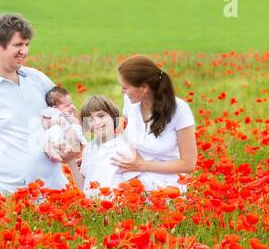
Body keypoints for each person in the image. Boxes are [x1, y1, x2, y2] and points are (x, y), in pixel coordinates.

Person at [0, 13, 78, 198]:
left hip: (56, 192)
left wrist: (72, 144)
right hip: (12, 199)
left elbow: (69, 112)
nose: (24, 51)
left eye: (27, 44)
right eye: (18, 45)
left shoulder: (37, 78)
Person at [111, 54, 197, 193]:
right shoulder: (130, 102)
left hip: (166, 185)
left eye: (125, 87)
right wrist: (119, 128)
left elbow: (189, 164)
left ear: (144, 88)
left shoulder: (179, 109)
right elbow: (126, 120)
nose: (122, 92)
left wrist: (142, 165)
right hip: (132, 175)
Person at [69, 95, 140, 196]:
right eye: (91, 119)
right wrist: (71, 163)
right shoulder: (89, 149)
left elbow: (134, 187)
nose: (97, 122)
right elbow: (83, 186)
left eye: (101, 116)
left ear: (112, 116)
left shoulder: (124, 147)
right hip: (92, 207)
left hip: (115, 207)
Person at [41, 86, 87, 163]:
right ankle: (54, 155)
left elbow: (76, 123)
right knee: (45, 145)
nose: (71, 107)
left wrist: (68, 117)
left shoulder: (68, 114)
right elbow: (44, 123)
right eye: (67, 105)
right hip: (53, 136)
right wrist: (57, 120)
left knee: (71, 131)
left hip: (65, 137)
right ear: (55, 107)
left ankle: (67, 146)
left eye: (71, 104)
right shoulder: (51, 112)